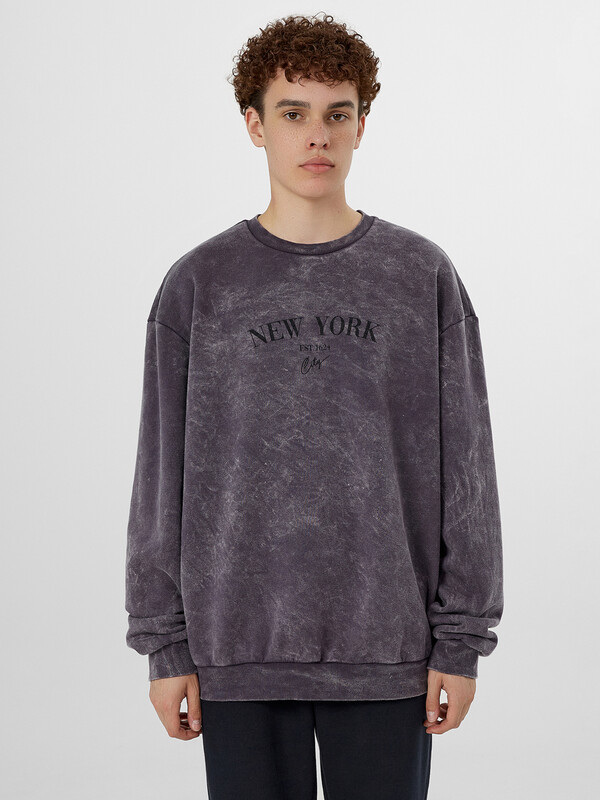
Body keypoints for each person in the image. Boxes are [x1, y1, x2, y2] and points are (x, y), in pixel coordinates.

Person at [124, 12, 504, 800]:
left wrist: (462, 640)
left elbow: (468, 472)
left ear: (363, 124)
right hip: (236, 649)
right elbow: (160, 478)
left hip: (389, 650)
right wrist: (164, 645)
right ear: (254, 125)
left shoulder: (420, 276)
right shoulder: (200, 286)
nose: (317, 136)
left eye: (338, 113)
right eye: (293, 113)